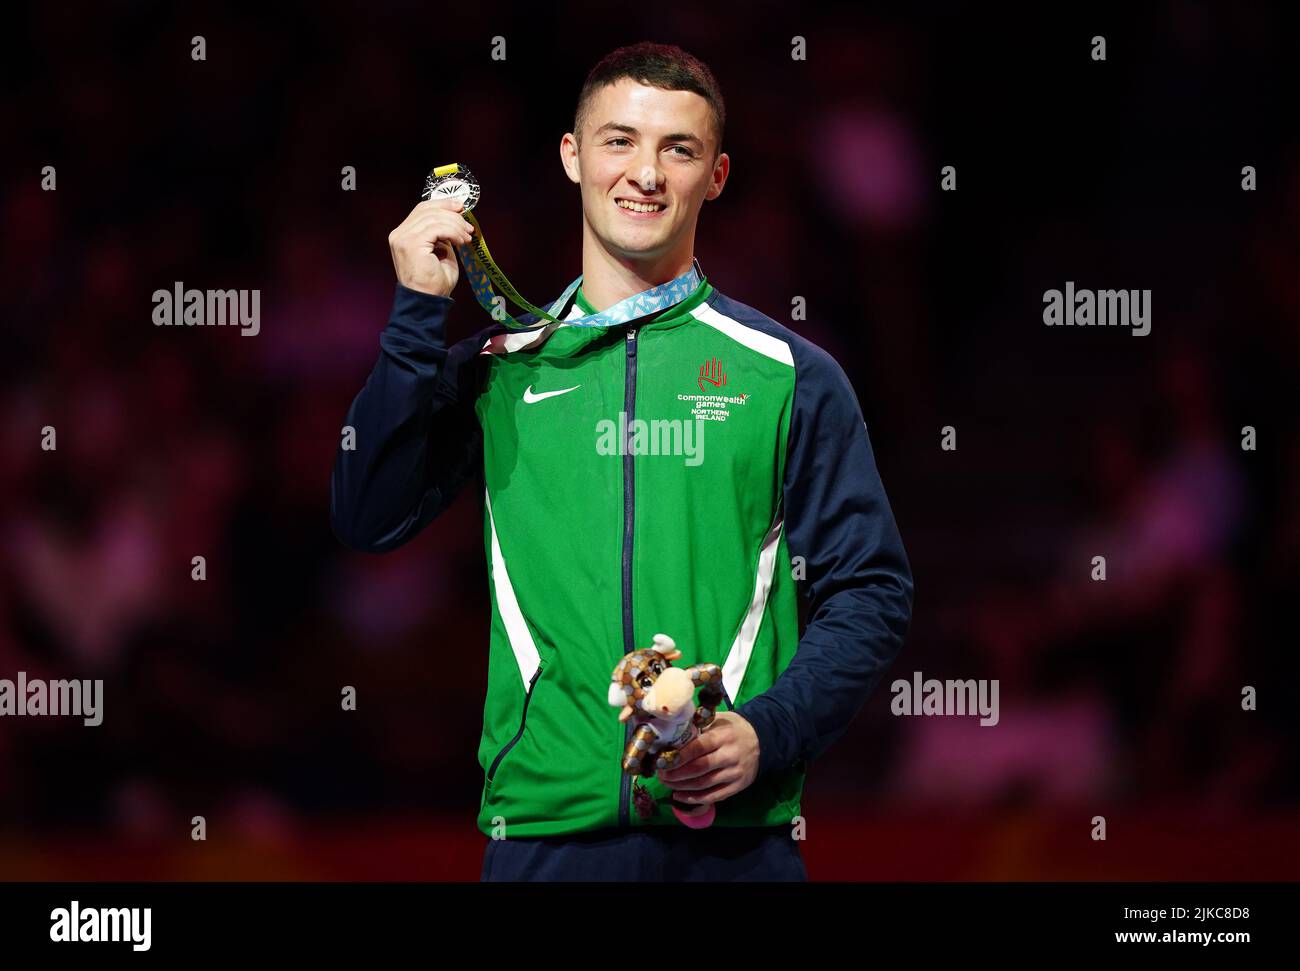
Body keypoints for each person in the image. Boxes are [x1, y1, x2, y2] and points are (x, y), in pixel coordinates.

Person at [330, 41, 913, 881]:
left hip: (735, 845)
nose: (645, 172)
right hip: (542, 842)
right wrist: (418, 313)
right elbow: (367, 512)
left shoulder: (791, 376)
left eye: (678, 148)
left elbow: (873, 588)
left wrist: (769, 729)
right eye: (618, 141)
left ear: (715, 175)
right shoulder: (502, 369)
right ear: (572, 156)